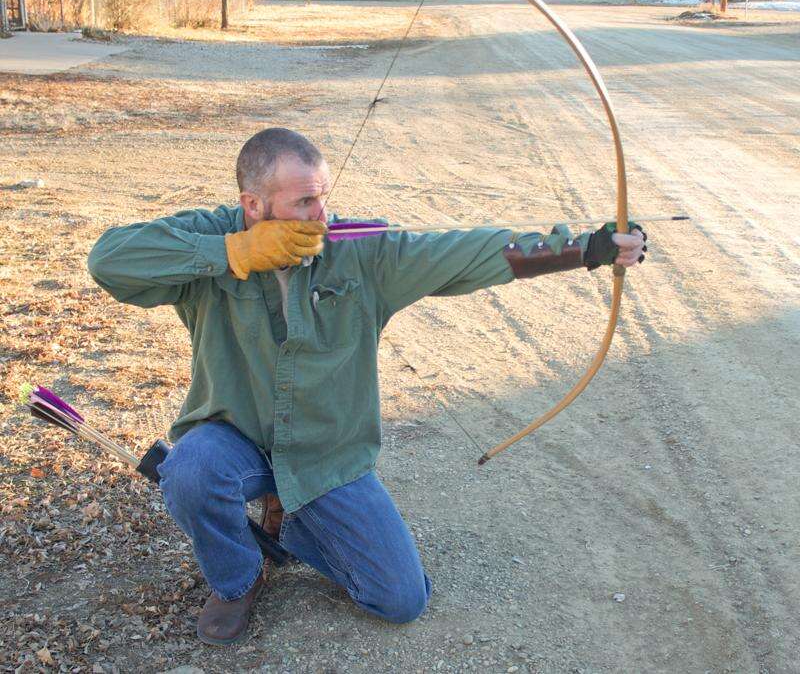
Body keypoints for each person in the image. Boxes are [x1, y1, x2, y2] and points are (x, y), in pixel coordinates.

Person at [87, 128, 646, 645]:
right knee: (189, 471)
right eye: (303, 202)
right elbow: (109, 259)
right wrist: (231, 254)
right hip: (233, 436)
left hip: (324, 454)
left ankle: (292, 523)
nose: (321, 213)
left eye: (323, 196)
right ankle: (236, 577)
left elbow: (465, 252)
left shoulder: (358, 251)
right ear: (254, 205)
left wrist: (586, 250)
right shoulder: (211, 238)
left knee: (399, 599)